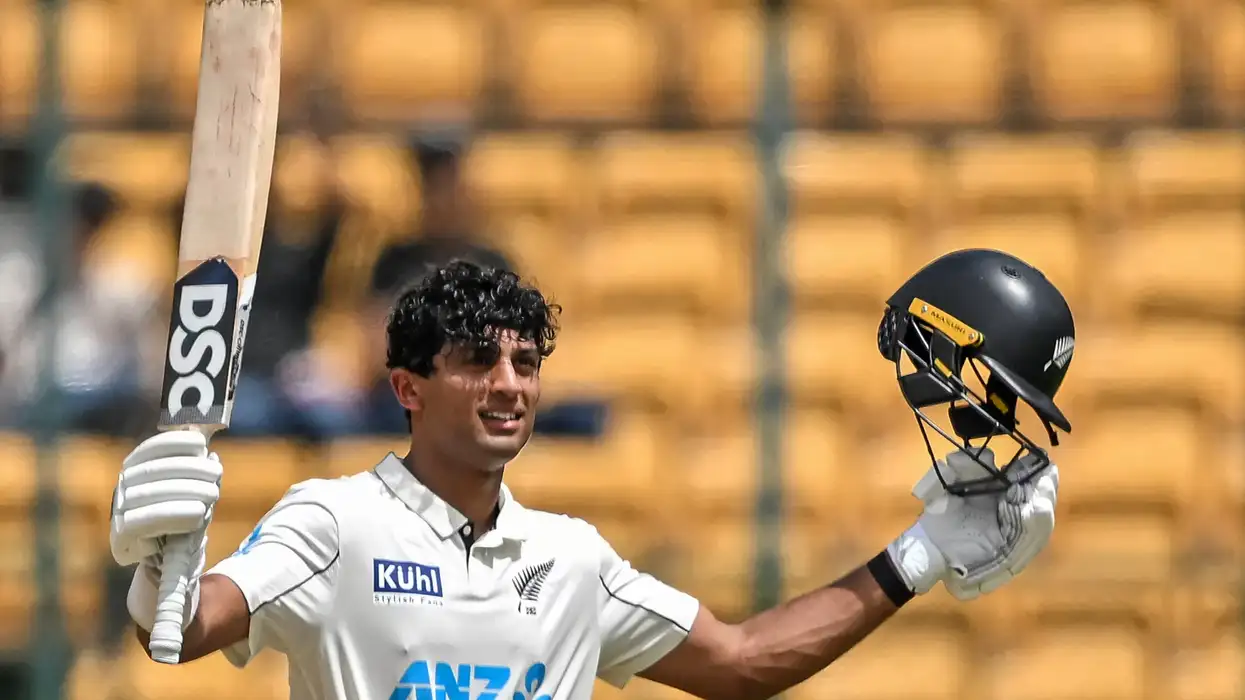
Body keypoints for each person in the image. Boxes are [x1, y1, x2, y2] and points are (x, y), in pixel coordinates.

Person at [109, 250, 1071, 700]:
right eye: (476, 361)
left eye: (525, 364)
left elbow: (740, 664)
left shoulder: (570, 560)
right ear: (406, 385)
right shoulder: (332, 524)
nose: (508, 386)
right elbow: (184, 631)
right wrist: (161, 562)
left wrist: (919, 554)